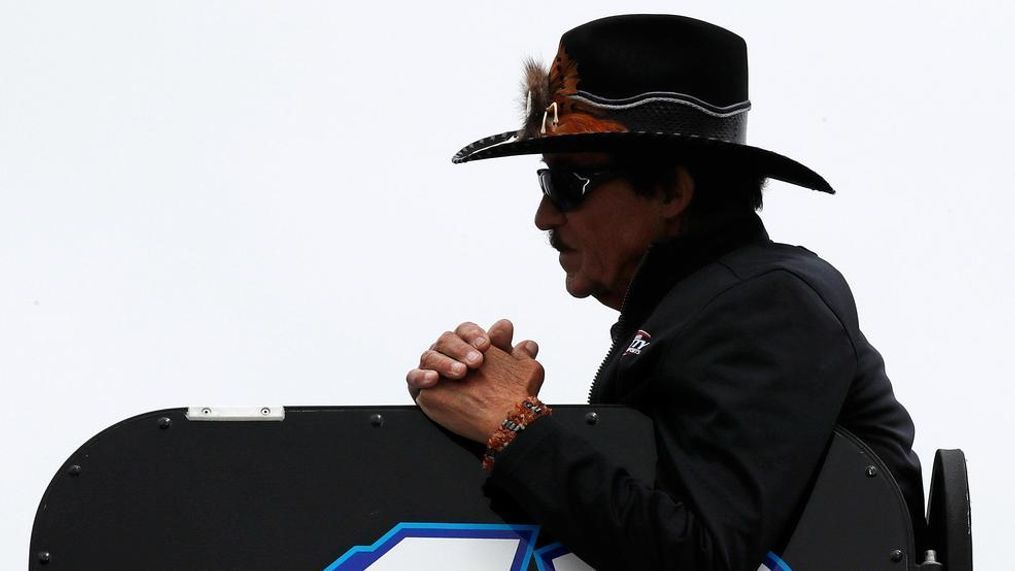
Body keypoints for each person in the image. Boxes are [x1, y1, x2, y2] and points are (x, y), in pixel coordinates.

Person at [406, 14, 924, 570]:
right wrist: (506, 416)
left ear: (673, 191)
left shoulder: (768, 304)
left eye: (568, 183)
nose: (544, 215)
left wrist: (513, 424)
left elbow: (701, 556)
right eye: (544, 180)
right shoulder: (702, 310)